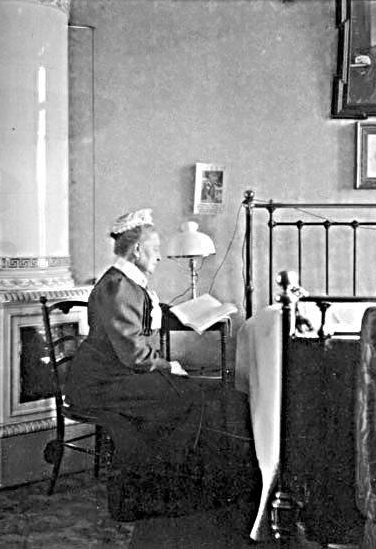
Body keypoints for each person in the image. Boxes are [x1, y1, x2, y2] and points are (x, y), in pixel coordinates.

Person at [65, 208, 259, 522]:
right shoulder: (118, 287)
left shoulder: (127, 284)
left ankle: (171, 488)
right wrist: (168, 366)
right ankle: (165, 492)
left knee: (191, 395)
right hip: (101, 382)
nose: (158, 256)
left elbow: (137, 331)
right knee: (189, 395)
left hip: (118, 375)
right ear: (136, 250)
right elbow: (134, 354)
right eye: (154, 249)